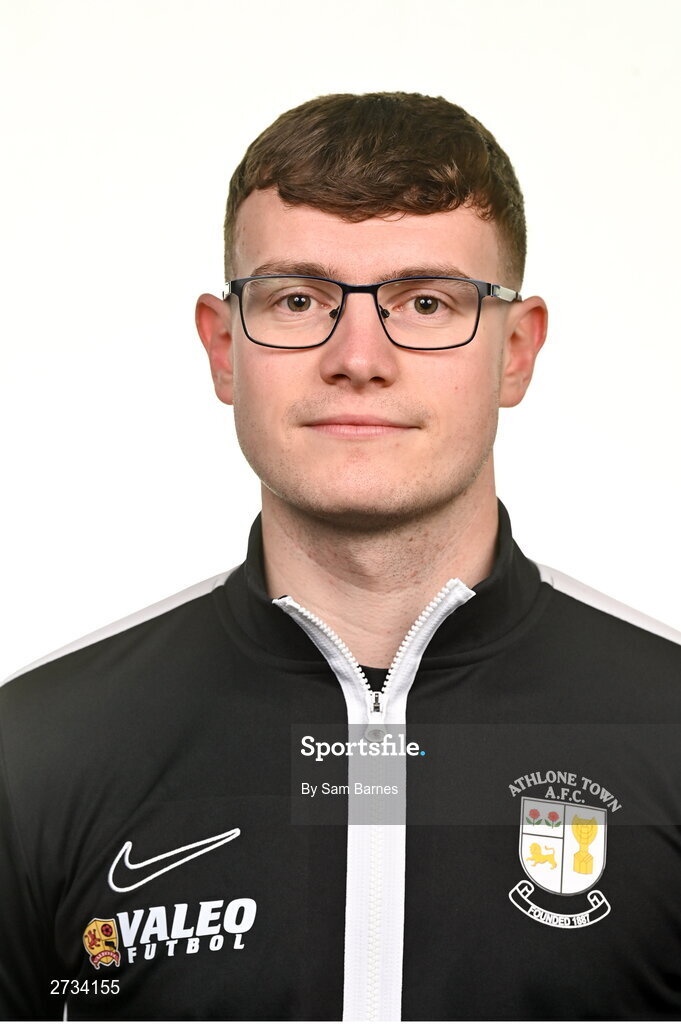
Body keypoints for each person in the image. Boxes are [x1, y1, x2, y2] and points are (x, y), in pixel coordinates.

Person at [1, 91, 680, 1023]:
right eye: (297, 299)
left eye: (427, 301)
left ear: (515, 352)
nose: (358, 356)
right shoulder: (33, 751)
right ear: (224, 347)